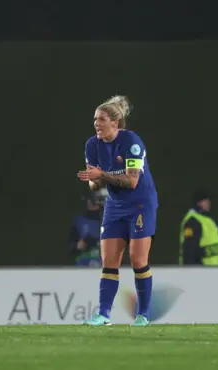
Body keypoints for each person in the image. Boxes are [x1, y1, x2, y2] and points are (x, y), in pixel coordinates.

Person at [77, 95, 158, 327]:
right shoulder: (92, 145)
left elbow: (132, 181)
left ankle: (143, 315)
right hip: (114, 205)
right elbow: (95, 184)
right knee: (109, 261)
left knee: (138, 259)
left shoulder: (131, 142)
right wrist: (93, 180)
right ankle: (103, 315)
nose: (96, 124)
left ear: (115, 122)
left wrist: (101, 175)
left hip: (141, 203)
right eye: (94, 119)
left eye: (101, 119)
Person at [179, 190, 218, 265]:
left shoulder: (207, 220)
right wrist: (194, 271)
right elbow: (189, 250)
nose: (208, 203)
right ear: (198, 203)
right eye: (205, 200)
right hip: (202, 271)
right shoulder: (192, 221)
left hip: (215, 270)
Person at [68, 188, 107, 267]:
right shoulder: (79, 221)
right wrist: (77, 246)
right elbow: (70, 246)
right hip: (83, 264)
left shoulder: (108, 220)